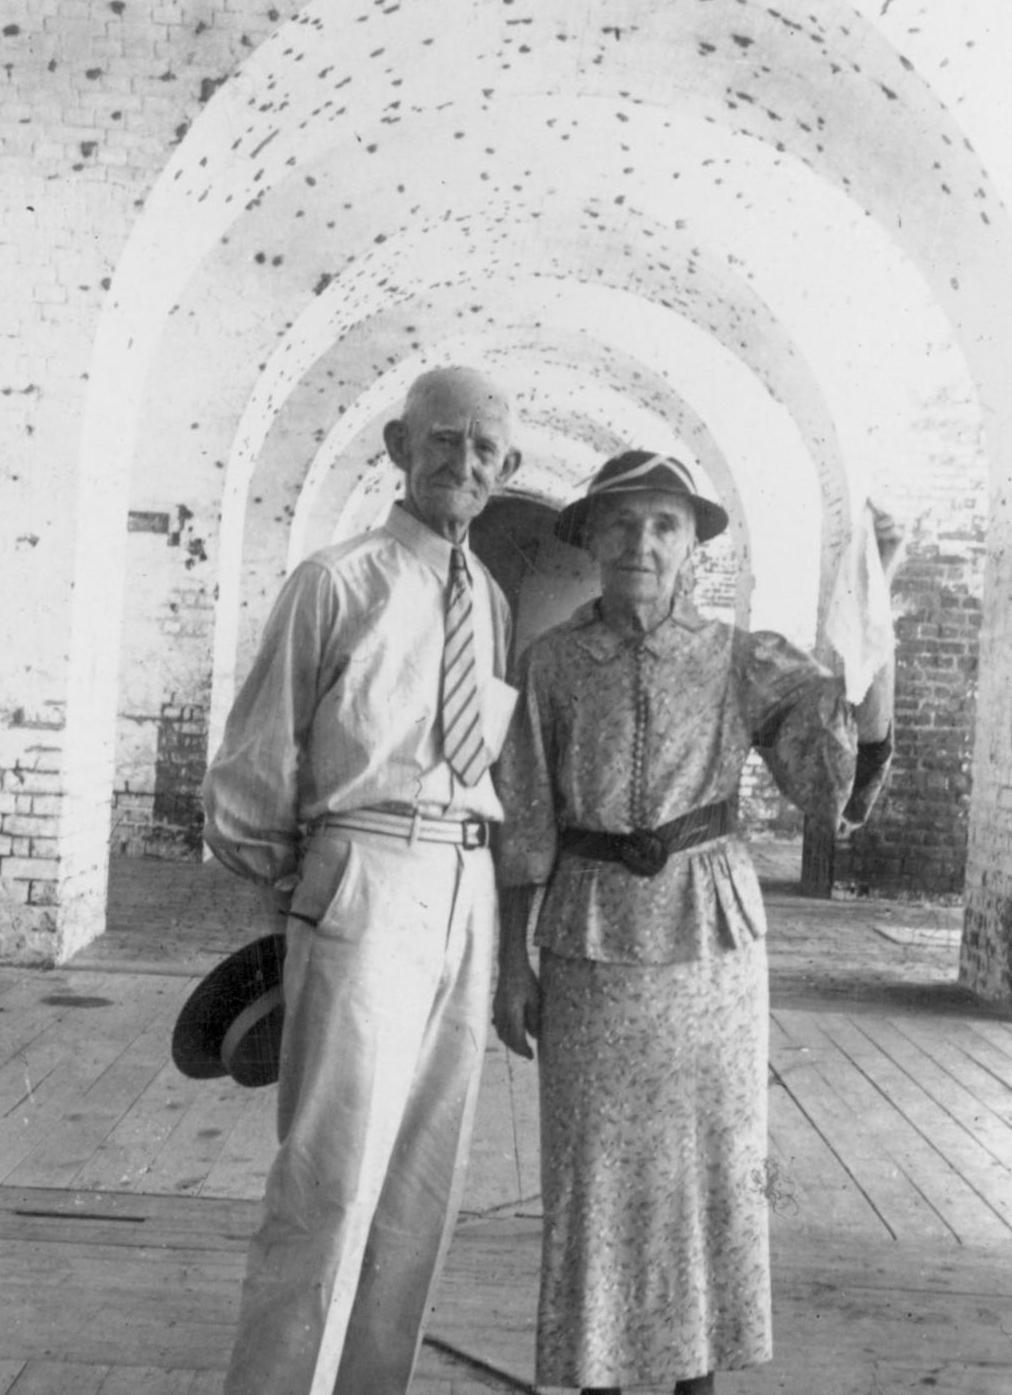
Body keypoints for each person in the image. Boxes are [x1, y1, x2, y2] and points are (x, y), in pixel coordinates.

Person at [491, 450, 904, 1395]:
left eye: (664, 525)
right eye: (623, 522)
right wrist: (508, 968)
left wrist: (878, 629)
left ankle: (695, 1382)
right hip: (588, 936)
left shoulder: (737, 656)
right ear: (590, 536)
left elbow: (828, 770)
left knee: (710, 1165)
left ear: (689, 547)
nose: (642, 542)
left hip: (710, 938)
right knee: (590, 1170)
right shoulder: (549, 662)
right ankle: (597, 1376)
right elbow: (522, 822)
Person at [201, 365, 523, 1395]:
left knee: (424, 1172)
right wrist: (313, 890)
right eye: (443, 439)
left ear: (504, 469)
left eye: (484, 449)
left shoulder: (491, 598)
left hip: (466, 883)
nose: (462, 462)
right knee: (329, 1172)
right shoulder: (336, 581)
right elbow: (252, 770)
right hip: (366, 871)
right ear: (397, 445)